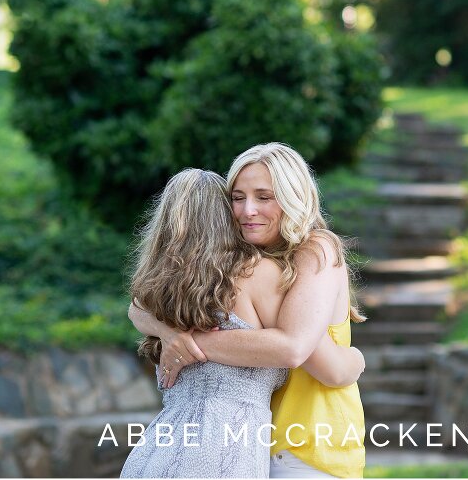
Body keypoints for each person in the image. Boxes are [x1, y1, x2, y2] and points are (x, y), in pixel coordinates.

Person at [130, 143, 367, 478]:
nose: (247, 210)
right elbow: (138, 305)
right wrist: (170, 333)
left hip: (308, 446)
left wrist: (187, 343)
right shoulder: (244, 267)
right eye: (237, 198)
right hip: (251, 445)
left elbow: (295, 349)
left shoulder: (316, 249)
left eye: (264, 197)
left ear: (292, 197)